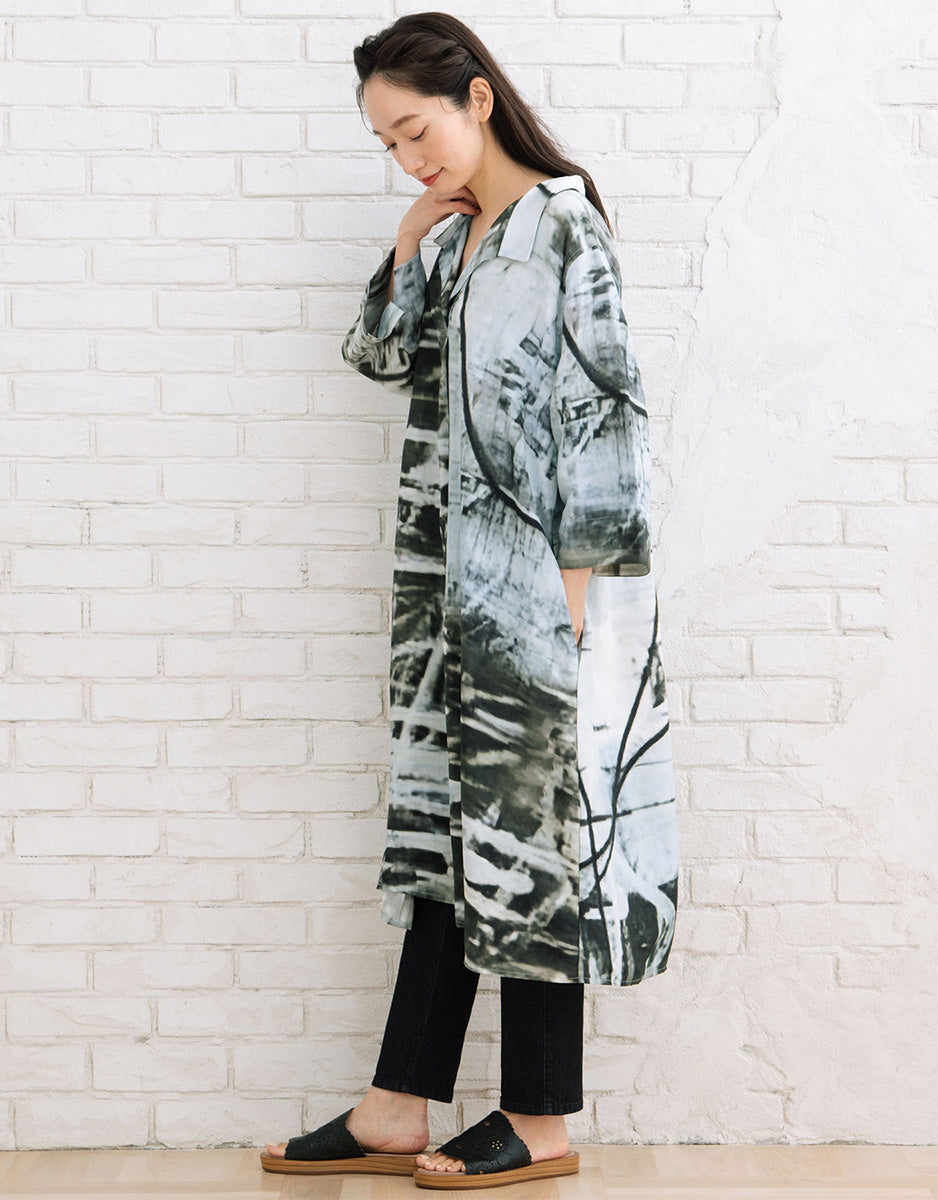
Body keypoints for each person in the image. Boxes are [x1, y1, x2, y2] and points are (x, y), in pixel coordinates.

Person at [260, 11, 679, 1190]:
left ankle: (540, 1121)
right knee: (450, 845)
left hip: (540, 594)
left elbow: (606, 420)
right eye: (388, 145)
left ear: (476, 99)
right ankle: (397, 1105)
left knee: (531, 844)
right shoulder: (454, 238)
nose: (409, 157)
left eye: (416, 130)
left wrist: (572, 600)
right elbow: (378, 357)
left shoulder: (562, 226)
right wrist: (407, 244)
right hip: (443, 599)